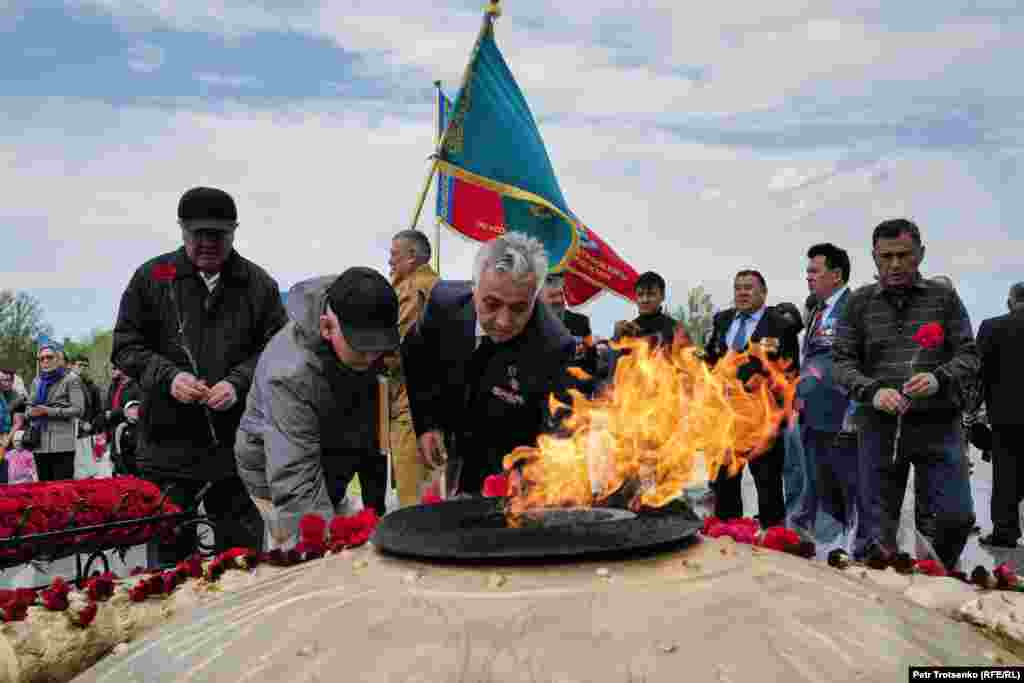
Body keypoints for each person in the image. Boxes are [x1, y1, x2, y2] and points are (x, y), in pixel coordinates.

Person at [113, 186, 288, 565]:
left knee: (242, 565)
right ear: (182, 230)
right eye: (198, 235)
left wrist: (238, 382)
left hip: (236, 453)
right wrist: (167, 377)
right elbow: (125, 347)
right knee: (170, 570)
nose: (208, 243)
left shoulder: (260, 286)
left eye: (219, 235)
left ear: (234, 231)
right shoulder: (151, 277)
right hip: (167, 451)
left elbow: (277, 353)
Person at [832, 218, 977, 570]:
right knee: (876, 531)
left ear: (921, 254)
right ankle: (881, 603)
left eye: (904, 255)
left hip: (939, 424)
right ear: (874, 257)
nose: (894, 264)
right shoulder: (859, 304)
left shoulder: (944, 299)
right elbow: (841, 363)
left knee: (955, 517)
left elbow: (970, 355)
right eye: (885, 257)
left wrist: (939, 378)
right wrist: (872, 391)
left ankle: (937, 578)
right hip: (879, 426)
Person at [402, 232, 576, 495]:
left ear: (536, 297)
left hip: (506, 454)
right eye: (492, 304)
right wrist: (427, 424)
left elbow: (554, 428)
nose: (504, 321)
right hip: (450, 434)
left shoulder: (555, 345)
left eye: (519, 308)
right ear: (474, 288)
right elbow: (416, 359)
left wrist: (527, 471)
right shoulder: (442, 304)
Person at [236, 268, 400, 545]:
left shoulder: (364, 313)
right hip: (278, 471)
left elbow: (375, 428)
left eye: (379, 347)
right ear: (326, 327)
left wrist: (376, 513)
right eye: (361, 348)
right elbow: (295, 480)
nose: (373, 357)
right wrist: (320, 549)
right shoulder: (290, 372)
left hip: (334, 456)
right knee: (305, 555)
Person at [703, 269, 800, 528]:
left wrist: (767, 385)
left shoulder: (780, 325)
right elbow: (711, 359)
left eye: (749, 288)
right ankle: (729, 534)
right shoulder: (722, 319)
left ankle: (774, 537)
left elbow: (790, 372)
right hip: (726, 418)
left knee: (767, 484)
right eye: (738, 288)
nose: (742, 293)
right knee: (724, 483)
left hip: (763, 420)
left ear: (763, 293)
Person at [791, 243, 854, 535]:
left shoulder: (853, 308)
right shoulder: (817, 310)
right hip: (811, 413)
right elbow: (812, 358)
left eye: (814, 271)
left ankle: (842, 543)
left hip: (840, 415)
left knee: (841, 485)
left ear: (837, 275)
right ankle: (820, 539)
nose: (808, 277)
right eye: (807, 271)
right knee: (816, 480)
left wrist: (853, 411)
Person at [386, 230, 439, 507]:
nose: (389, 262)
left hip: (409, 403)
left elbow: (397, 349)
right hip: (438, 405)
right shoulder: (439, 288)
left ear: (412, 257)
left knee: (412, 500)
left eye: (394, 255)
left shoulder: (411, 290)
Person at [976, 282, 1024, 547]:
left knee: (1005, 474)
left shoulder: (992, 327)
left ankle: (1005, 532)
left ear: (1010, 302)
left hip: (1006, 415)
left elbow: (976, 373)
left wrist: (973, 413)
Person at [23, 342, 87, 481]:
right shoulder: (36, 381)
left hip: (63, 444)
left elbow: (79, 410)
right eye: (42, 358)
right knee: (43, 489)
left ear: (58, 359)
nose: (45, 361)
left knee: (63, 489)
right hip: (39, 443)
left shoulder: (71, 379)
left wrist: (48, 411)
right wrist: (30, 412)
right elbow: (28, 407)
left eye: (49, 357)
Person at [541, 272, 598, 386]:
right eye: (552, 296)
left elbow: (592, 360)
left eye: (561, 294)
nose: (559, 300)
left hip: (577, 394)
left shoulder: (581, 322)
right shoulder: (528, 324)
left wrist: (587, 384)